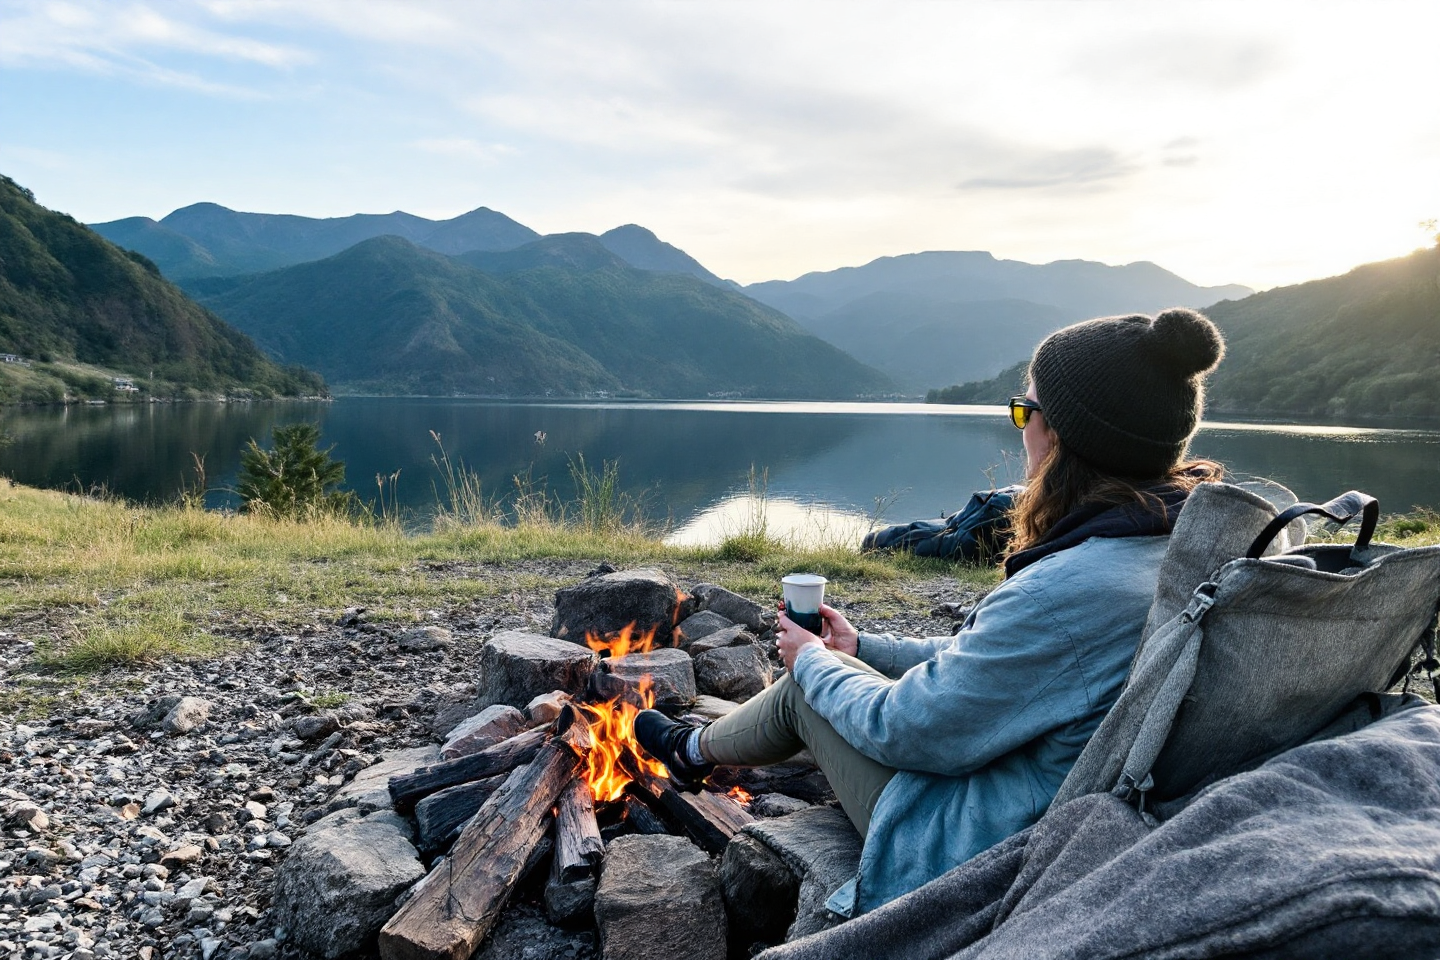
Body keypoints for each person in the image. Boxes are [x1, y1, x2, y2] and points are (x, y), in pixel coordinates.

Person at [636, 307, 1227, 917]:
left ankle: (690, 753)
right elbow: (996, 669)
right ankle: (700, 746)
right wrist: (863, 650)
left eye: (1023, 411)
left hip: (984, 846)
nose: (1018, 428)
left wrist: (812, 661)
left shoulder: (1070, 589)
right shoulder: (1173, 549)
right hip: (1068, 800)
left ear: (1061, 435)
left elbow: (910, 729)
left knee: (805, 693)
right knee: (827, 676)